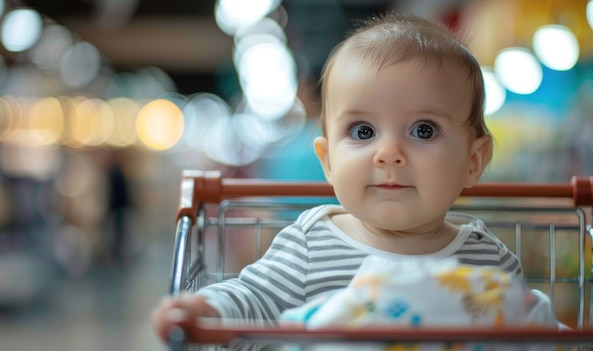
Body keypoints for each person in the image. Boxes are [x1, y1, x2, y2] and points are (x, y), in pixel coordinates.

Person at [152, 13, 527, 343]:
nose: (388, 153)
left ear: (473, 161)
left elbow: (529, 330)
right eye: (363, 131)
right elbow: (253, 298)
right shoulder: (310, 245)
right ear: (328, 160)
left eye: (424, 130)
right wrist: (207, 309)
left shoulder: (490, 260)